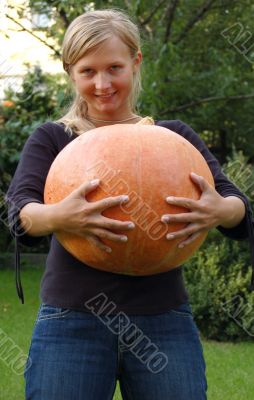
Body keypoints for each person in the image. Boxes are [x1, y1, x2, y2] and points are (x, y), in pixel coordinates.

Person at [6, 8, 254, 400]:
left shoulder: (174, 138)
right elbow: (22, 213)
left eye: (114, 67)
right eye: (88, 71)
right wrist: (59, 215)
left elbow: (236, 205)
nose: (102, 83)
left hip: (163, 317)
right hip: (71, 319)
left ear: (135, 62)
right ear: (71, 71)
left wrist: (220, 211)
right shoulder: (53, 138)